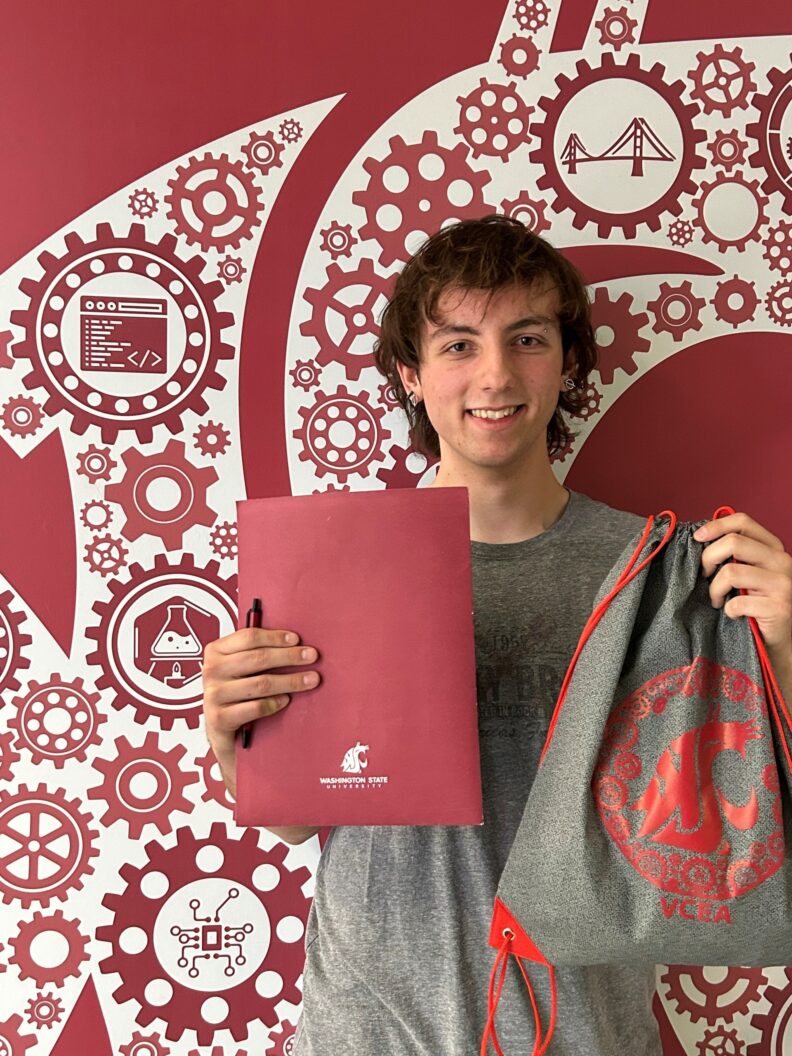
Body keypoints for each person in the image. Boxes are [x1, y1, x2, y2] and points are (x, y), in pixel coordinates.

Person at [202, 215, 792, 1055]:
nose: (496, 374)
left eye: (527, 338)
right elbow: (296, 820)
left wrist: (784, 652)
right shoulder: (332, 563)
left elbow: (733, 799)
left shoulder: (661, 570)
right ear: (410, 374)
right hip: (368, 1031)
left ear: (567, 362)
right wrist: (233, 736)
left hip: (588, 1033)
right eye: (457, 345)